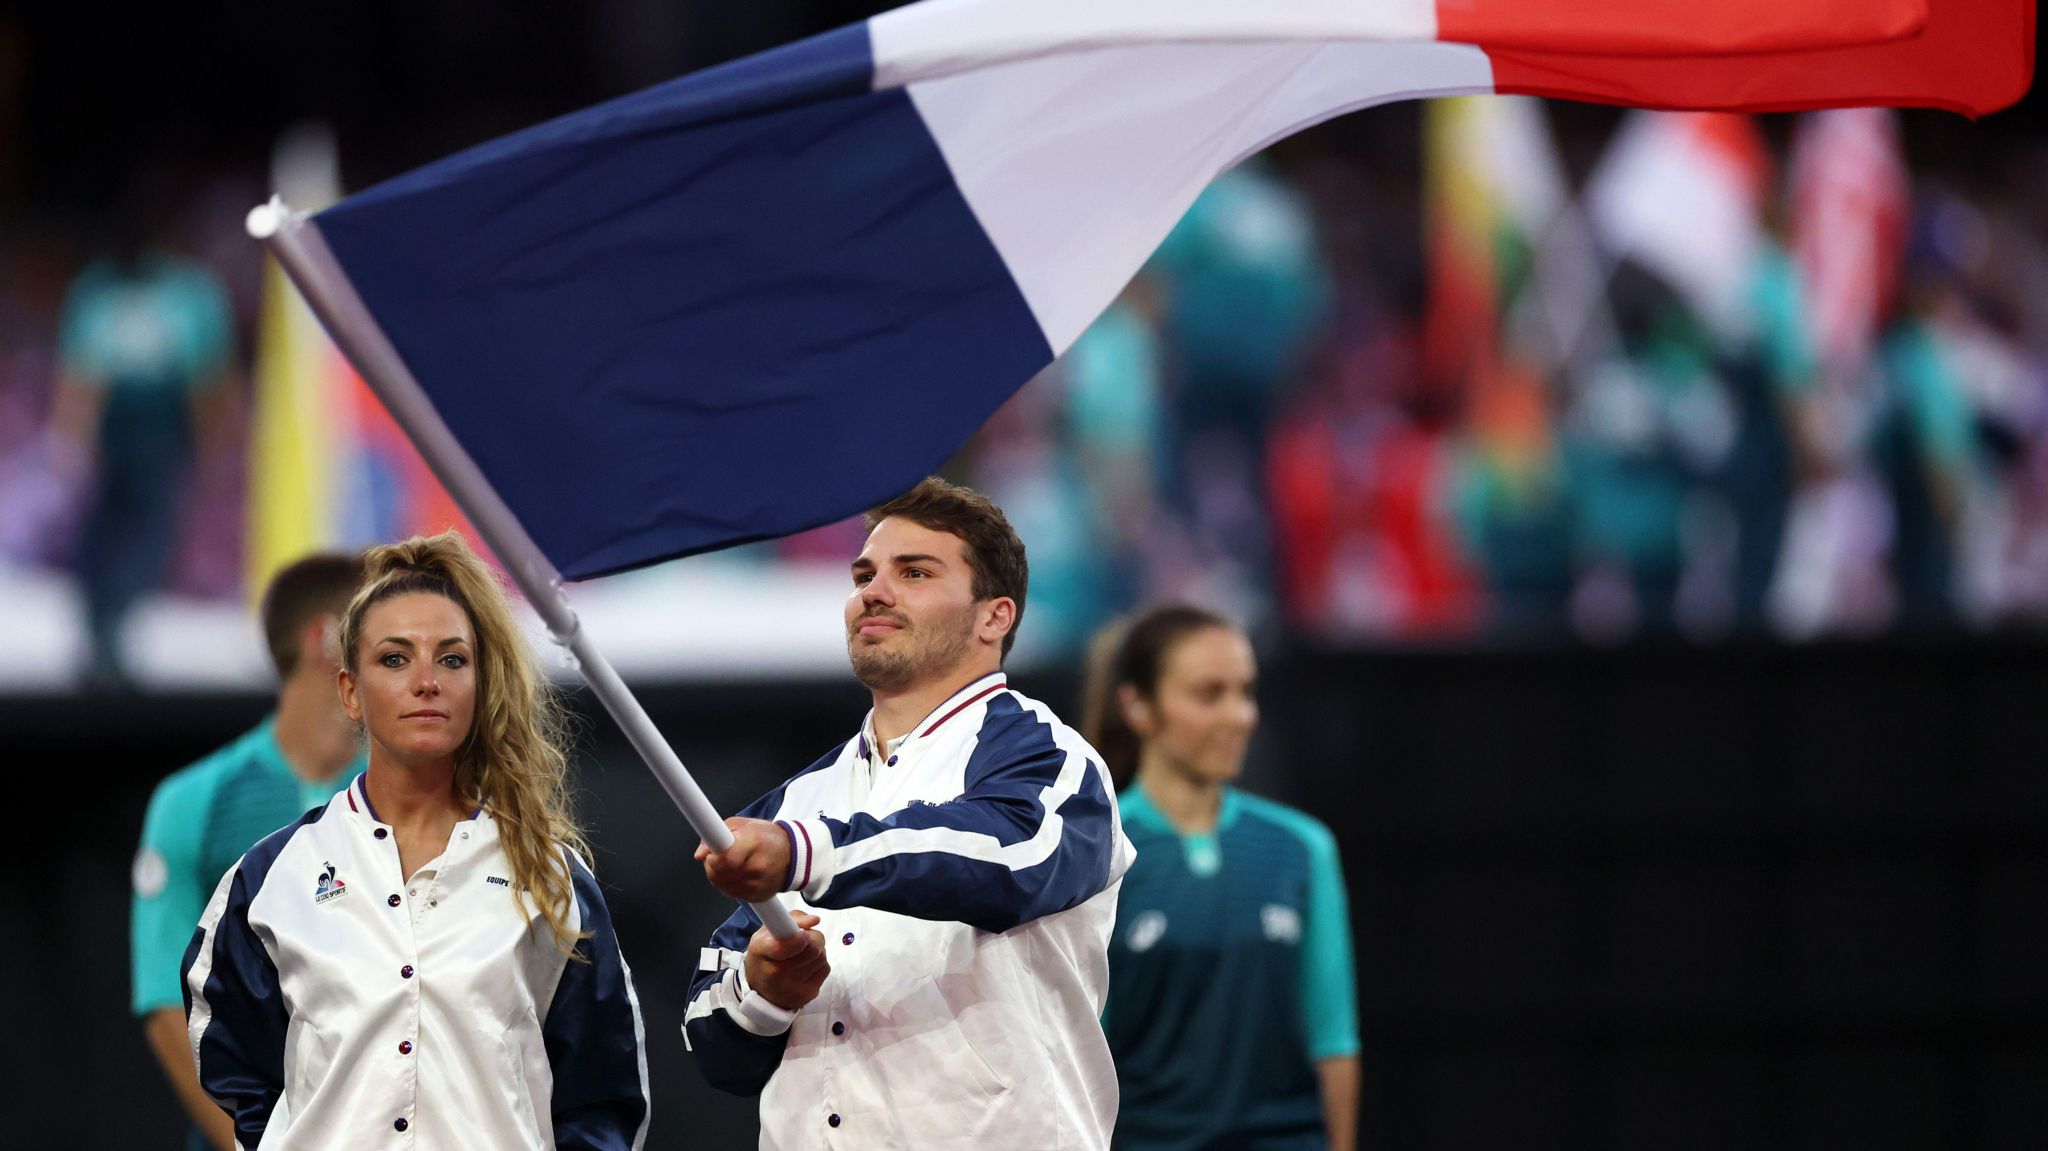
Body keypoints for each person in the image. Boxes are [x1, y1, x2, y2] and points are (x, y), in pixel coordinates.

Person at [685, 476, 1135, 1149]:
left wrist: (808, 855)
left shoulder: (1050, 759)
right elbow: (710, 1044)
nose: (874, 590)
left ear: (995, 616)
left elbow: (1009, 859)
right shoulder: (797, 803)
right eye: (864, 572)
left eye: (914, 572)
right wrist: (762, 990)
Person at [184, 533, 649, 1150]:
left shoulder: (548, 877)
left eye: (452, 659)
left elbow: (605, 1093)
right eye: (395, 659)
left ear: (481, 684)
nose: (427, 681)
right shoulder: (273, 877)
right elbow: (231, 1065)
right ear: (350, 690)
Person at [1083, 605, 1360, 1151]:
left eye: (1246, 691)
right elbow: (1082, 1054)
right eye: (1210, 694)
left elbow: (1333, 1039)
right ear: (1137, 706)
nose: (1240, 715)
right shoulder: (1094, 856)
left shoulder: (1303, 849)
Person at [132, 552, 368, 1151]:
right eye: (381, 627)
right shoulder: (193, 801)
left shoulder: (427, 794)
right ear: (324, 639)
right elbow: (166, 1000)